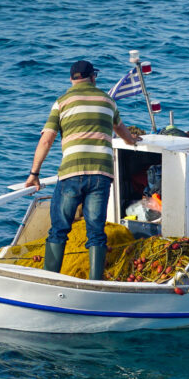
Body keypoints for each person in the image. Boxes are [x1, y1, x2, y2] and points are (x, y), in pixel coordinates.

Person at [24, 60, 140, 279]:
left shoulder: (61, 102)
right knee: (96, 232)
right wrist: (132, 140)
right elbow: (121, 130)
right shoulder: (107, 101)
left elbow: (46, 140)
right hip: (100, 174)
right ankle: (96, 284)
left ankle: (49, 280)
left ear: (71, 79)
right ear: (93, 77)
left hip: (71, 173)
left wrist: (34, 174)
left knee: (59, 229)